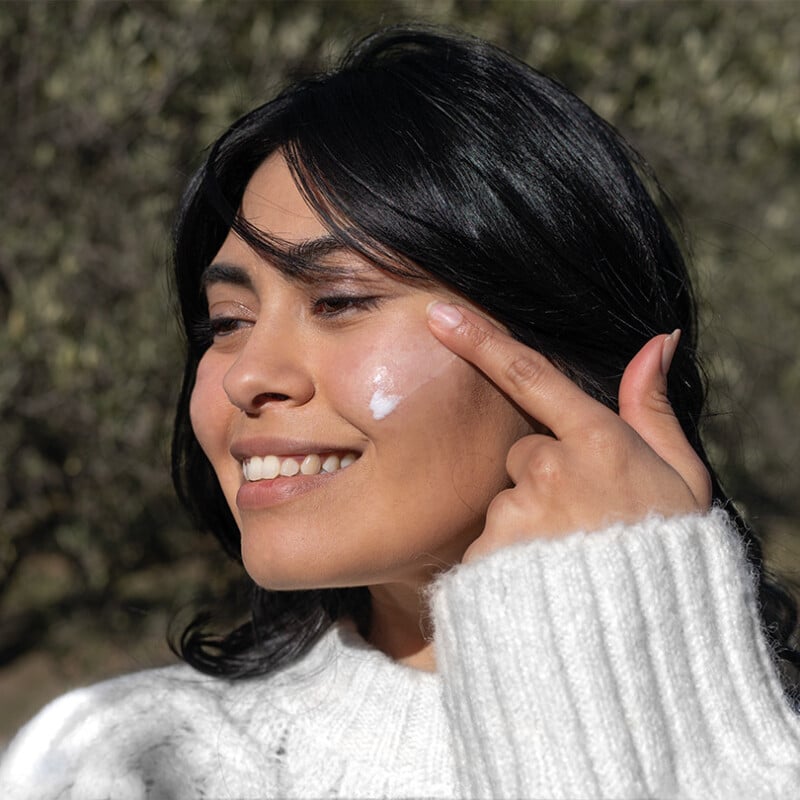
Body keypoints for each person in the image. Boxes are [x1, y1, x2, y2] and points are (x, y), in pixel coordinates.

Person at [2, 24, 799, 799]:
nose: (248, 375)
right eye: (226, 323)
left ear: (564, 341)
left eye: (341, 300)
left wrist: (612, 610)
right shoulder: (116, 764)